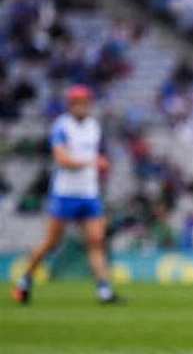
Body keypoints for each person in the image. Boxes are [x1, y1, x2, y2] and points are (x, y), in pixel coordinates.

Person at [12, 85, 120, 304]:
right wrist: (92, 163)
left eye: (86, 102)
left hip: (89, 193)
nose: (84, 106)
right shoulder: (62, 126)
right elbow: (62, 160)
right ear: (71, 105)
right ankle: (25, 280)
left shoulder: (93, 126)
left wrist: (99, 166)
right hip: (65, 194)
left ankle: (104, 291)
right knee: (52, 242)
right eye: (79, 102)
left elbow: (95, 156)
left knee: (96, 240)